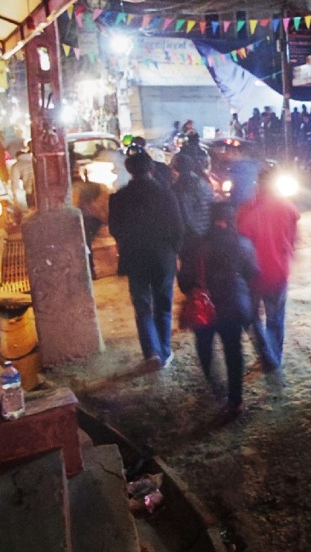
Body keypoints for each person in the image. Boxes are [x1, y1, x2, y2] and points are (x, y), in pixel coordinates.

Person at [178, 201, 259, 421]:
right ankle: (235, 400)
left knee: (205, 349)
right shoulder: (241, 242)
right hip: (233, 306)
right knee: (234, 353)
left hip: (204, 309)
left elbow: (184, 280)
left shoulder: (196, 246)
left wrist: (195, 289)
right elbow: (253, 272)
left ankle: (216, 387)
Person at [108, 152, 184, 369]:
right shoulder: (166, 194)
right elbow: (178, 228)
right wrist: (173, 251)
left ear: (130, 170)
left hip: (135, 257)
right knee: (163, 304)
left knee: (142, 305)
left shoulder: (119, 197)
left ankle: (151, 352)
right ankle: (165, 350)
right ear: (151, 169)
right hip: (163, 257)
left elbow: (115, 229)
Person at [237, 163, 300, 371]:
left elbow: (242, 244)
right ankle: (274, 355)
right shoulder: (289, 208)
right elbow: (293, 239)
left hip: (254, 275)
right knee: (275, 317)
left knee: (251, 316)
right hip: (279, 272)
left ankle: (266, 354)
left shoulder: (247, 210)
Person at [171, 152, 214, 246]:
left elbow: (184, 216)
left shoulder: (180, 187)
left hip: (191, 236)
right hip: (206, 232)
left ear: (175, 168)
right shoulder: (203, 182)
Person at [9, 142, 35, 210]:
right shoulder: (34, 160)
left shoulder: (16, 166)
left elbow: (15, 184)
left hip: (30, 191)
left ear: (17, 157)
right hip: (41, 189)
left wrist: (15, 199)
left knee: (32, 210)